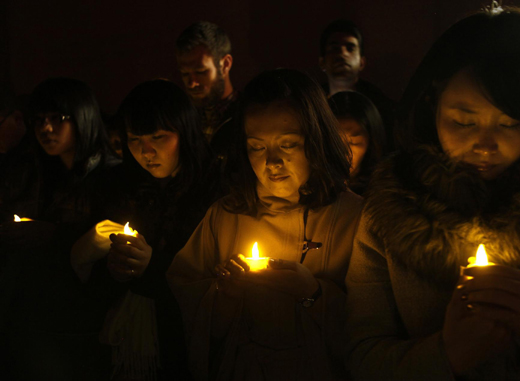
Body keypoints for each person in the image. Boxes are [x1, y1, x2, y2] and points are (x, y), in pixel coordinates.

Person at [346, 6, 520, 381]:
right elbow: (361, 357)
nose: (485, 145)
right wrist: (446, 354)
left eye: (510, 122)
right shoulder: (390, 214)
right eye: (463, 121)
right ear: (432, 105)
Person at [167, 69, 363, 380]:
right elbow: (185, 307)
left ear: (317, 139)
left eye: (287, 144)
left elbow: (373, 326)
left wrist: (312, 293)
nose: (272, 163)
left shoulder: (355, 218)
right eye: (257, 147)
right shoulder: (226, 215)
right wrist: (224, 297)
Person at [90, 79, 218, 380]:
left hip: (190, 337)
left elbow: (212, 274)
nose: (146, 151)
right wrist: (115, 267)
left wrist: (154, 266)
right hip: (128, 335)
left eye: (158, 137)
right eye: (134, 140)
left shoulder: (213, 188)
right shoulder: (121, 185)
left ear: (184, 132)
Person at [0, 77, 119, 380]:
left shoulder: (111, 177)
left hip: (86, 325)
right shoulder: (35, 172)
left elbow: (112, 242)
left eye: (58, 118)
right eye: (39, 120)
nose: (46, 129)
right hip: (35, 320)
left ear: (82, 116)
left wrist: (54, 235)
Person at [319, 19, 397, 151]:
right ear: (322, 62)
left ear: (362, 62)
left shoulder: (381, 107)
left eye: (350, 48)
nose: (342, 53)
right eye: (334, 48)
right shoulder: (313, 105)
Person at [176, 21, 238, 161]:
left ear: (225, 65)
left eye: (201, 72)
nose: (191, 83)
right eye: (185, 74)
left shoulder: (247, 117)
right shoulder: (182, 121)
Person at [328, 91, 386, 195]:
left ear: (371, 144)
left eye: (353, 142)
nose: (342, 151)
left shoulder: (380, 195)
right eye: (334, 141)